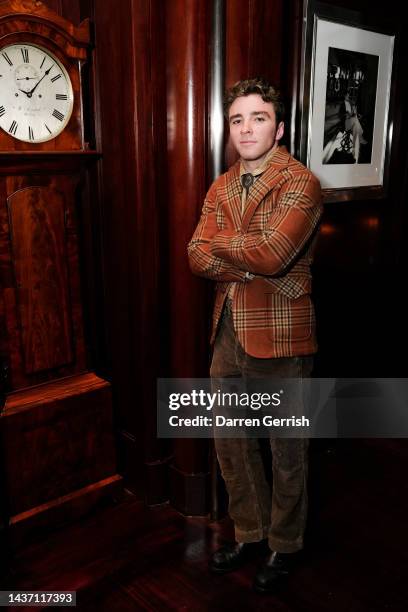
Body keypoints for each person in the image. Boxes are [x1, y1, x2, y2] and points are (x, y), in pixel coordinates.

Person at [187, 77, 322, 593]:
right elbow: (195, 257)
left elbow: (274, 255)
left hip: (282, 337)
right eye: (238, 119)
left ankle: (284, 546)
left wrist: (227, 249)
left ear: (279, 128)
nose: (246, 129)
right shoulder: (221, 184)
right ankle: (250, 532)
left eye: (258, 118)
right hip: (227, 332)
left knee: (287, 450)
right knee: (232, 443)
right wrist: (244, 257)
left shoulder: (301, 183)